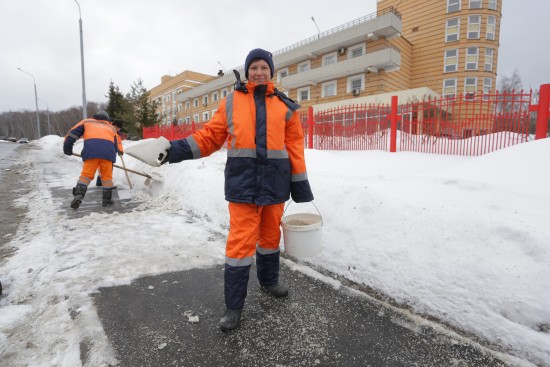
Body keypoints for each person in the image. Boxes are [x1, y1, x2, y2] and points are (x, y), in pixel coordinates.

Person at [160, 48, 314, 332]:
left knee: (270, 238)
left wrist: (300, 186)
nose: (258, 72)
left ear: (271, 72)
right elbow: (209, 137)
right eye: (253, 67)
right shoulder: (232, 101)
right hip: (243, 186)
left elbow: (295, 148)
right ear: (247, 72)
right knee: (240, 246)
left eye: (263, 68)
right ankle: (234, 307)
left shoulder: (286, 107)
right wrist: (174, 151)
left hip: (275, 186)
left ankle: (268, 282)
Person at [63, 111, 124, 208]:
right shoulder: (111, 127)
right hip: (108, 154)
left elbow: (72, 134)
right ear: (107, 119)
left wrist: (67, 147)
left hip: (92, 153)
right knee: (107, 178)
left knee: (86, 176)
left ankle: (78, 195)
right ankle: (106, 200)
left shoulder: (87, 122)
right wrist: (113, 156)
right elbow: (116, 144)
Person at [96, 119, 125, 187]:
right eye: (118, 128)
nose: (118, 129)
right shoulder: (107, 129)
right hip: (103, 151)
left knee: (109, 168)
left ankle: (103, 184)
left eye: (120, 128)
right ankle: (104, 184)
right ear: (114, 125)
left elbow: (119, 143)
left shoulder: (116, 133)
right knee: (103, 168)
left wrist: (120, 151)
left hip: (111, 153)